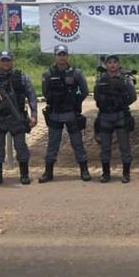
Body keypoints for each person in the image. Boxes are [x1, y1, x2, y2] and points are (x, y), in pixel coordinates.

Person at [0, 50, 38, 187]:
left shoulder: (21, 76)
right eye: (3, 60)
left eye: (8, 60)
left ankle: (24, 174)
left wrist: (34, 114)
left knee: (21, 146)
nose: (5, 63)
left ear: (12, 61)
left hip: (17, 117)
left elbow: (31, 95)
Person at [39, 44, 90, 183]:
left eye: (64, 54)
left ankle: (84, 170)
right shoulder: (47, 73)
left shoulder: (76, 73)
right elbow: (45, 92)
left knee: (77, 142)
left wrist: (75, 102)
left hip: (71, 112)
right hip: (55, 112)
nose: (61, 57)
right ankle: (48, 172)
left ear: (67, 56)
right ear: (55, 56)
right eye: (59, 54)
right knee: (53, 143)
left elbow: (84, 91)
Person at [94, 54, 137, 183]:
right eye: (109, 62)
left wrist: (121, 104)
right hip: (105, 116)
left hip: (120, 116)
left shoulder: (125, 80)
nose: (112, 65)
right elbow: (96, 96)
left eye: (115, 62)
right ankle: (106, 173)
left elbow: (133, 96)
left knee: (124, 146)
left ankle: (126, 173)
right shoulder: (100, 80)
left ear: (119, 64)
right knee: (105, 147)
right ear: (106, 65)